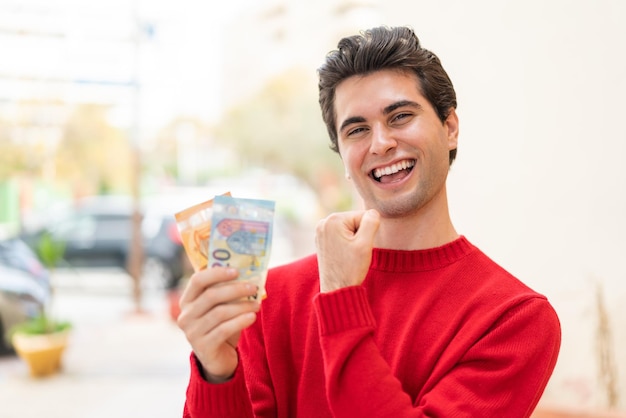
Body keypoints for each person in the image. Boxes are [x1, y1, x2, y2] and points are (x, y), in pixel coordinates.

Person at [177, 25, 561, 417]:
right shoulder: (270, 301)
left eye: (400, 116)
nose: (380, 143)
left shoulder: (515, 321)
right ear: (342, 156)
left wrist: (341, 300)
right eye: (357, 129)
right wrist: (217, 373)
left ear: (450, 128)